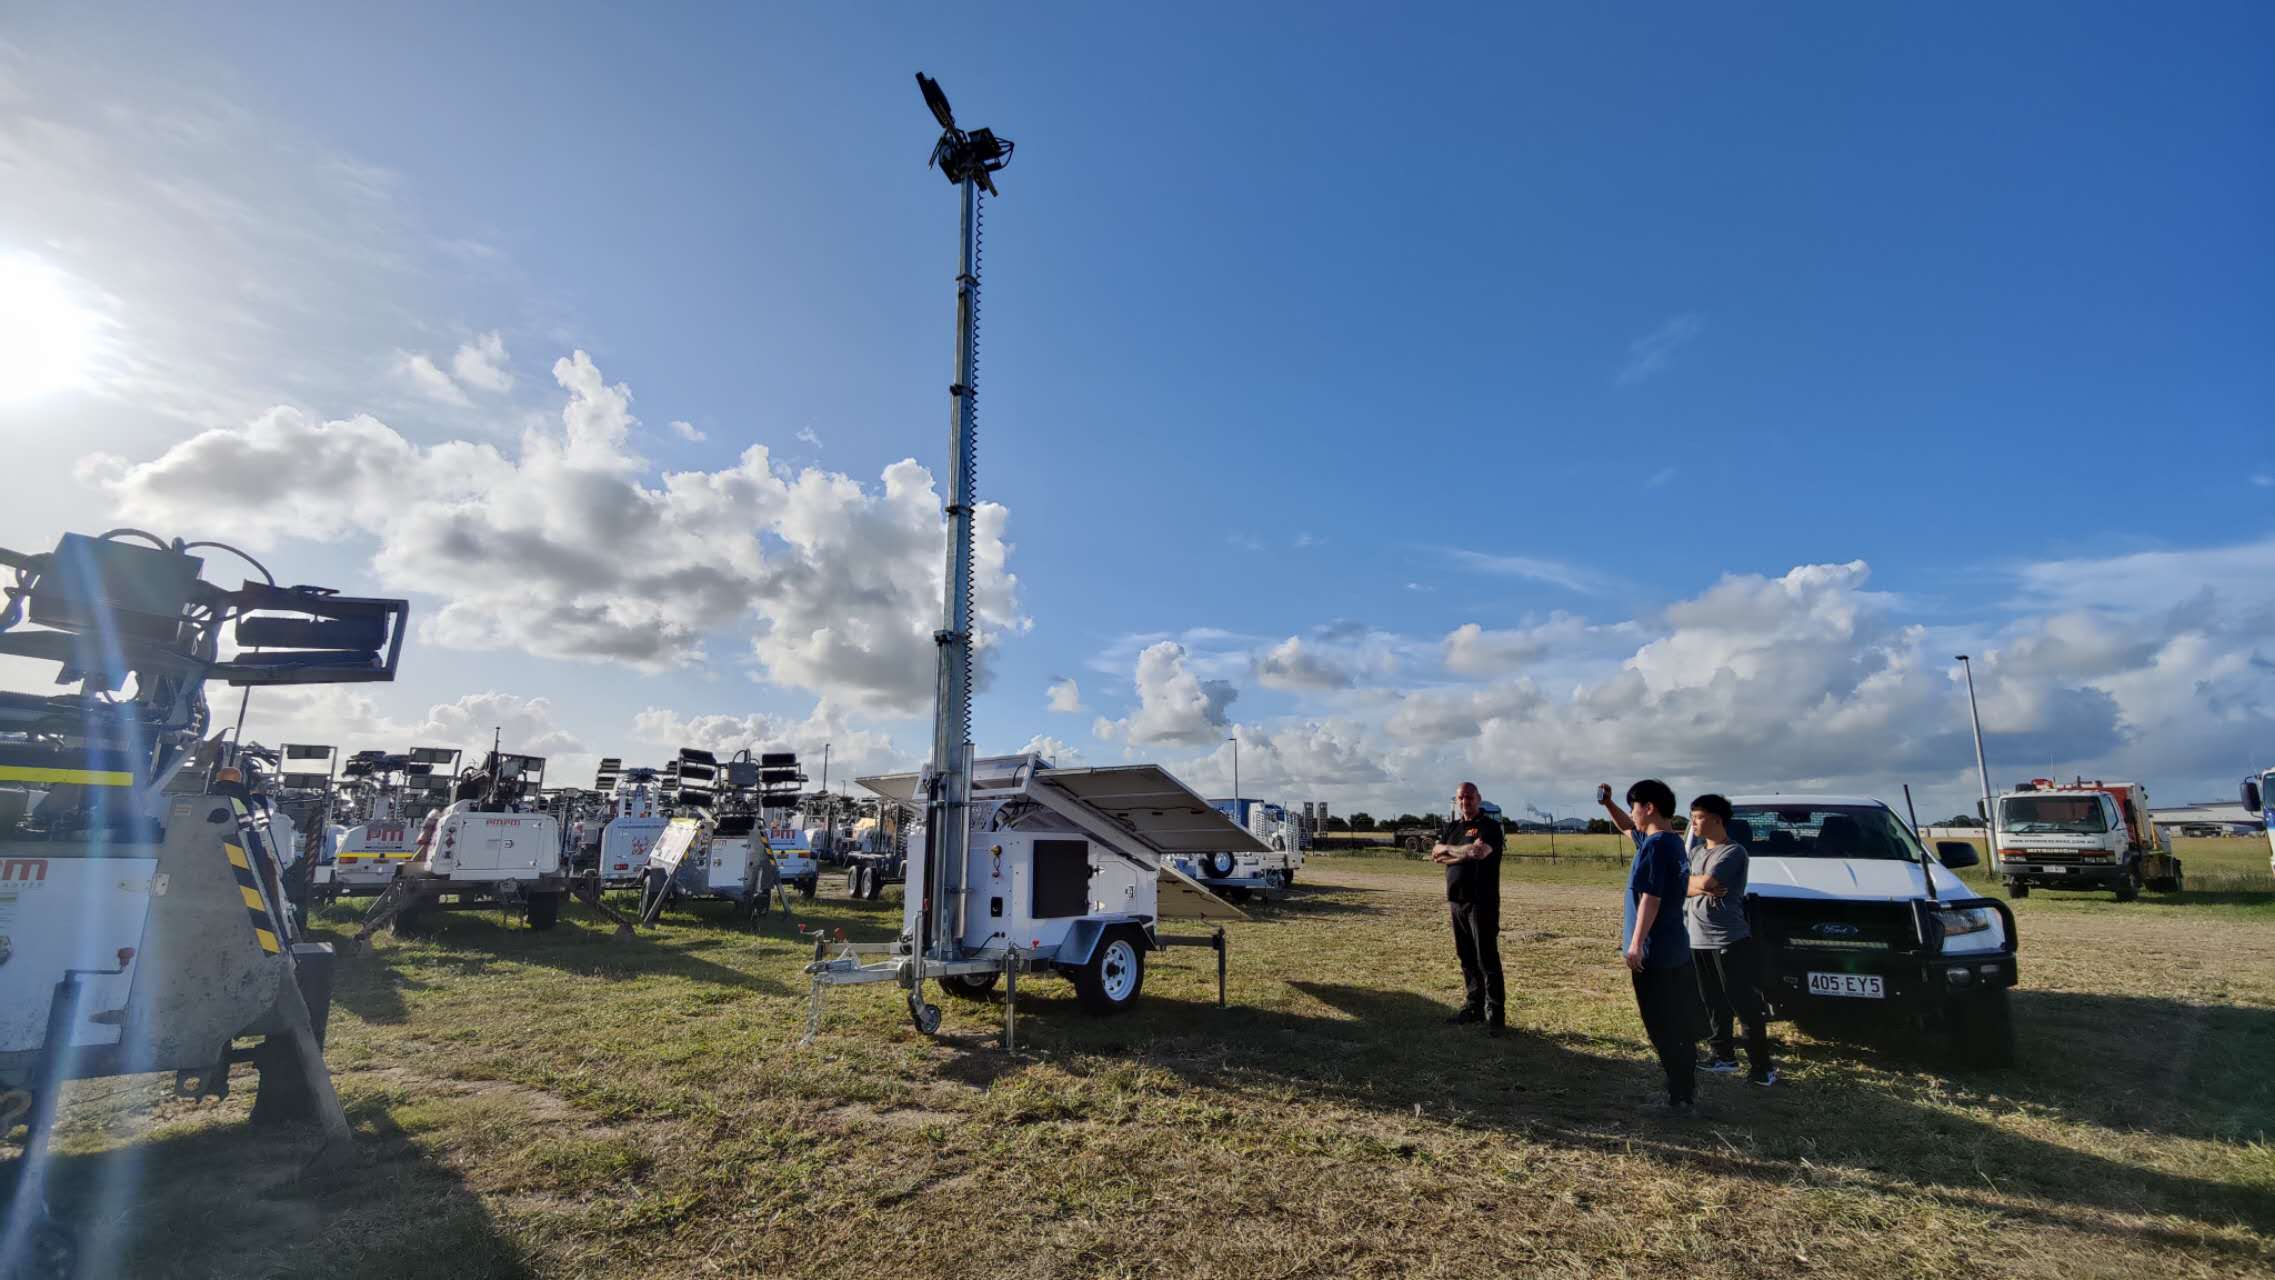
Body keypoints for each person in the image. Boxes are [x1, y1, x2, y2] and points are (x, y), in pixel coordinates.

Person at [1598, 779, 1697, 1112]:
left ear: (1649, 807)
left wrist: (1636, 944)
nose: (1631, 813)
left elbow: (1650, 899)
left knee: (1662, 1026)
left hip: (1655, 953)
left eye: (1633, 806)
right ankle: (1684, 1089)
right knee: (1677, 1022)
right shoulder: (1669, 841)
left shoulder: (1655, 847)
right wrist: (1608, 805)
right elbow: (1629, 829)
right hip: (1676, 949)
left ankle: (1679, 1097)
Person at [1683, 794, 1777, 1085]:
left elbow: (1710, 883)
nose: (1693, 823)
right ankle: (1723, 1056)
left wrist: (1699, 885)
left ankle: (1762, 1068)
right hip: (1697, 938)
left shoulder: (1733, 852)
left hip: (1728, 939)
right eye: (1692, 816)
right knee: (1712, 1001)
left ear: (1716, 819)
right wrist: (1698, 886)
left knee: (1742, 1002)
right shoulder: (1697, 852)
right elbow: (1680, 884)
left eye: (1698, 817)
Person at [1433, 782, 1507, 1036]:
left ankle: (1495, 1016)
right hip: (1456, 900)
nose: (1465, 802)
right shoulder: (1452, 827)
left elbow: (1479, 852)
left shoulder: (1491, 827)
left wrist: (1450, 851)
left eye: (1469, 797)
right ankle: (1473, 1006)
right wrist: (1459, 851)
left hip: (1481, 902)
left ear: (1479, 798)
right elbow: (1436, 854)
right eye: (1461, 798)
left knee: (1486, 958)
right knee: (1466, 957)